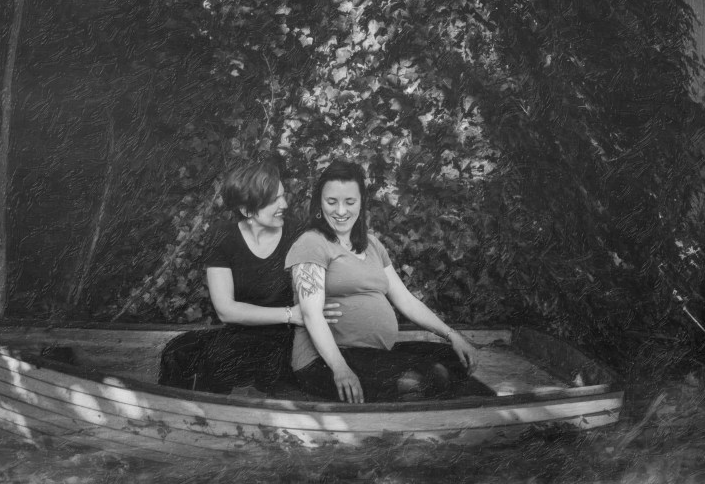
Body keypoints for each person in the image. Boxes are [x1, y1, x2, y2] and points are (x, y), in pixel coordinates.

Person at [285, 160, 492, 403]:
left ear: (361, 202)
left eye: (349, 202)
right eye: (332, 202)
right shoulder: (312, 243)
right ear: (319, 203)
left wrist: (451, 334)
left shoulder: (372, 244)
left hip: (374, 354)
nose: (340, 211)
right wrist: (340, 369)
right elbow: (311, 314)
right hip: (326, 360)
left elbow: (405, 300)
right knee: (419, 380)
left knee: (454, 359)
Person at [159, 158, 340, 393]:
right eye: (274, 200)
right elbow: (226, 310)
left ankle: (216, 414)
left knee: (220, 362)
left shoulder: (299, 234)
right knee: (176, 352)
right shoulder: (222, 236)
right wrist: (290, 314)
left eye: (283, 196)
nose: (284, 204)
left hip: (285, 336)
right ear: (246, 210)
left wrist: (307, 312)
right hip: (243, 330)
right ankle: (173, 413)